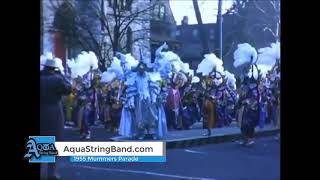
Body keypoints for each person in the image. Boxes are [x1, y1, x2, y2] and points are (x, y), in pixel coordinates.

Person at [40, 59, 72, 179]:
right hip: (54, 112)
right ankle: (52, 173)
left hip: (41, 111)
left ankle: (41, 172)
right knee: (55, 141)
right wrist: (62, 75)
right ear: (54, 69)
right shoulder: (58, 79)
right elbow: (68, 89)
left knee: (40, 139)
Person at [119, 61, 167, 140]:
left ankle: (152, 132)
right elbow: (132, 87)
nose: (141, 69)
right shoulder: (134, 77)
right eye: (140, 68)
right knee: (139, 116)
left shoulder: (149, 76)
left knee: (152, 115)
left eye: (143, 67)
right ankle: (142, 132)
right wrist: (131, 100)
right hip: (139, 99)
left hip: (148, 99)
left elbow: (152, 87)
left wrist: (154, 98)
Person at [239, 78, 259, 146]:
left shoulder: (254, 90)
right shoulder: (244, 90)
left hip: (250, 110)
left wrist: (248, 102)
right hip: (243, 110)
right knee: (243, 125)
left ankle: (250, 140)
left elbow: (255, 100)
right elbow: (240, 99)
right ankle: (245, 139)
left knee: (250, 125)